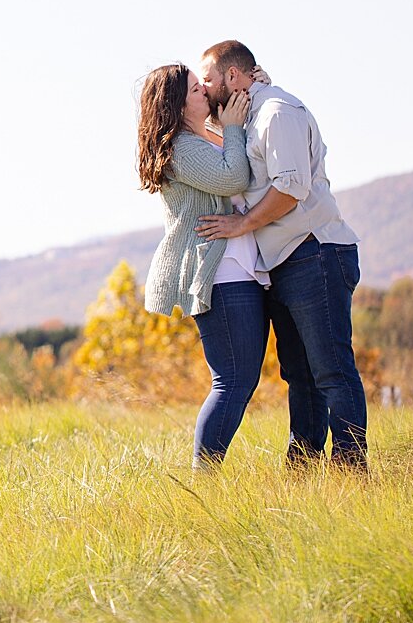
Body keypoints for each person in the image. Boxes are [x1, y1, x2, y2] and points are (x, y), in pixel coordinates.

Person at [193, 40, 368, 469]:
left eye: (209, 80)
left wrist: (241, 224)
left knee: (330, 370)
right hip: (284, 262)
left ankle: (351, 470)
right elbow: (229, 149)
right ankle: (303, 470)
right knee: (299, 374)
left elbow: (290, 188)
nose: (204, 87)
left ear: (233, 77)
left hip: (316, 252)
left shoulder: (277, 113)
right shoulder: (250, 115)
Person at [137, 62, 273, 466]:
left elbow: (243, 154)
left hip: (238, 269)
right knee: (232, 380)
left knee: (240, 379)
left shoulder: (201, 137)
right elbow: (234, 178)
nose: (204, 94)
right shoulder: (182, 147)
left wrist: (250, 90)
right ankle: (204, 478)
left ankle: (206, 473)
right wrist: (231, 128)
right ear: (177, 105)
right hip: (218, 273)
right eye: (196, 90)